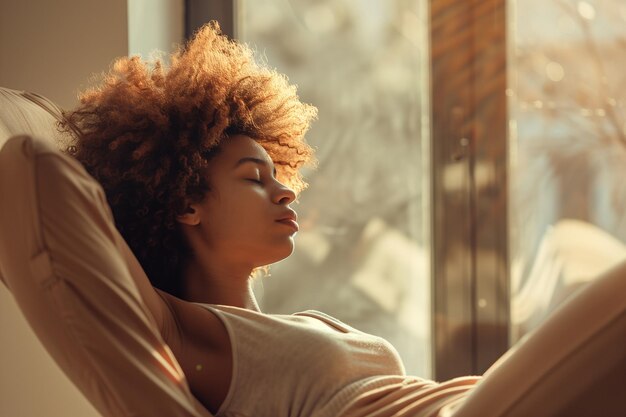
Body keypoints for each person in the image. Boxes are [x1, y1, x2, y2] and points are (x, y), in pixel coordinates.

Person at [0, 22, 624, 417]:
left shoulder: (281, 323)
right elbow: (43, 186)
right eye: (253, 177)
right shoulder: (180, 330)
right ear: (184, 203)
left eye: (279, 173)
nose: (284, 191)